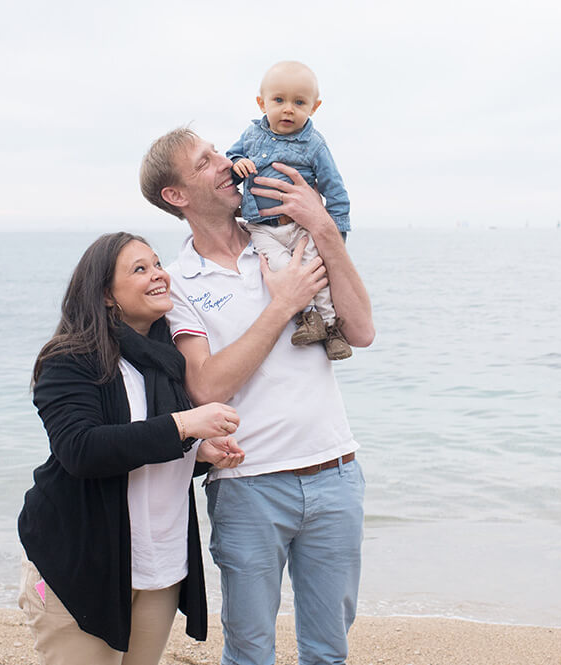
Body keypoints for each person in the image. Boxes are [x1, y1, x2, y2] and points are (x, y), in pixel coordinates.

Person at [139, 127, 375, 665]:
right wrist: (282, 305)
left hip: (336, 472)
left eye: (218, 152)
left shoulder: (291, 239)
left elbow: (360, 332)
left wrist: (323, 227)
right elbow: (205, 386)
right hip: (248, 487)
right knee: (249, 651)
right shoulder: (178, 285)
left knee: (329, 651)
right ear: (176, 195)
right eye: (204, 163)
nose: (226, 163)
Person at [17, 232, 246, 665]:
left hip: (159, 565)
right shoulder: (70, 358)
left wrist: (199, 452)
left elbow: (147, 445)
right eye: (139, 269)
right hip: (82, 563)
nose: (158, 275)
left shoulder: (167, 359)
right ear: (106, 294)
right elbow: (81, 450)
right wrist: (183, 425)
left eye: (157, 264)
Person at [228, 60, 352, 360]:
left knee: (314, 271)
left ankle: (332, 328)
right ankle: (309, 318)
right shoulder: (252, 134)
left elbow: (335, 189)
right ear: (262, 103)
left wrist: (336, 236)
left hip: (299, 225)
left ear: (314, 107)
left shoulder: (314, 144)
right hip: (261, 226)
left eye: (299, 102)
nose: (288, 109)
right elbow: (232, 157)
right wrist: (236, 164)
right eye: (279, 100)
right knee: (284, 269)